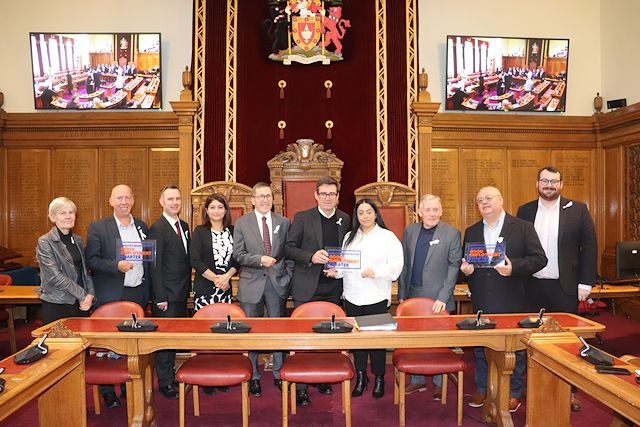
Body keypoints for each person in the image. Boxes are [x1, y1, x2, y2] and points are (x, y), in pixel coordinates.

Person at [516, 165, 598, 412]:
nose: (549, 185)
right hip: (531, 286)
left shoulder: (579, 210)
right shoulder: (525, 210)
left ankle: (569, 391)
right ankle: (529, 387)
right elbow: (519, 247)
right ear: (537, 183)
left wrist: (585, 284)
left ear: (561, 185)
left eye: (554, 181)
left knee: (566, 341)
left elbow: (590, 248)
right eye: (545, 181)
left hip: (565, 288)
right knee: (530, 339)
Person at [460, 186, 547, 413]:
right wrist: (466, 271)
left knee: (514, 349)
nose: (484, 203)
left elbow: (540, 259)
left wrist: (514, 268)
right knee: (481, 348)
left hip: (513, 297)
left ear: (500, 199)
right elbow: (466, 266)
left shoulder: (522, 227)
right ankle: (482, 388)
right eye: (479, 200)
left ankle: (514, 392)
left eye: (488, 198)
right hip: (482, 299)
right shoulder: (472, 231)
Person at [326, 198, 403, 399]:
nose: (365, 216)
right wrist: (336, 272)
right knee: (357, 341)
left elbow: (396, 267)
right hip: (352, 296)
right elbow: (344, 264)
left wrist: (375, 272)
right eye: (361, 213)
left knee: (376, 341)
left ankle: (379, 377)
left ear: (376, 214)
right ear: (356, 216)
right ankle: (361, 377)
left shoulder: (388, 237)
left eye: (369, 212)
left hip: (376, 296)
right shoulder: (350, 237)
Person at [284, 175, 350, 404]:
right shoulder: (302, 218)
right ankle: (301, 386)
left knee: (327, 339)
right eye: (324, 194)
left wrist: (341, 267)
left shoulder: (345, 218)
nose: (328, 198)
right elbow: (289, 249)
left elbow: (348, 253)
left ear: (338, 197)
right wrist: (311, 256)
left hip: (333, 288)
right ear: (316, 195)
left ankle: (322, 378)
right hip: (306, 288)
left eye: (332, 194)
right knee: (303, 340)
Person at [86, 184, 150, 409]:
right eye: (119, 198)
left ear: (133, 200)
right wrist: (116, 265)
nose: (124, 202)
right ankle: (107, 391)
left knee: (131, 342)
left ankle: (126, 384)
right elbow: (91, 261)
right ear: (110, 201)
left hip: (137, 293)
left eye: (127, 198)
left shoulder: (142, 226)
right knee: (108, 343)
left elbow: (147, 260)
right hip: (112, 294)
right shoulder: (98, 227)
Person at [397, 194, 462, 398]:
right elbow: (404, 264)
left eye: (436, 210)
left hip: (438, 299)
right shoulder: (410, 231)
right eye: (428, 210)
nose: (432, 213)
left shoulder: (451, 233)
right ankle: (417, 380)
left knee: (438, 343)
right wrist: (402, 295)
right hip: (413, 296)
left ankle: (438, 382)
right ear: (420, 212)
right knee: (415, 342)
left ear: (441, 211)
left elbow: (454, 266)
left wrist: (443, 297)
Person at [233, 182, 292, 399]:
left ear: (273, 199)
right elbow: (238, 254)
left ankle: (278, 372)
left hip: (277, 284)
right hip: (251, 284)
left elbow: (290, 252)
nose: (265, 200)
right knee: (251, 333)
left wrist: (288, 276)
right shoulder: (241, 223)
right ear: (253, 200)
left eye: (268, 196)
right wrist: (259, 260)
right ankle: (253, 377)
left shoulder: (284, 222)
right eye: (260, 196)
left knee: (277, 331)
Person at [148, 185, 191, 399]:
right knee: (164, 340)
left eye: (177, 199)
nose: (175, 202)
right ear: (161, 202)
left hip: (181, 293)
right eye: (170, 199)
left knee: (173, 338)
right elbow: (153, 266)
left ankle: (170, 376)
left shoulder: (183, 225)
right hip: (166, 296)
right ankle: (164, 382)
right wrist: (160, 297)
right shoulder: (156, 228)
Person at [36, 197, 95, 325]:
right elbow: (55, 277)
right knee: (58, 344)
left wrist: (90, 294)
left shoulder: (78, 240)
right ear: (53, 217)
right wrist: (82, 295)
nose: (68, 216)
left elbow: (85, 271)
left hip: (81, 303)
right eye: (62, 213)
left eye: (71, 212)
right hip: (58, 302)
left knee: (81, 342)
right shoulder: (45, 242)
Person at [191, 193, 239, 309]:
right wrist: (218, 280)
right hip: (205, 289)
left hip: (225, 289)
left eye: (220, 207)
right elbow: (195, 261)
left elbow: (237, 259)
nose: (216, 211)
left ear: (226, 210)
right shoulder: (199, 231)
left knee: (223, 324)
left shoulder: (233, 231)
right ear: (206, 210)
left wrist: (226, 277)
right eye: (212, 207)